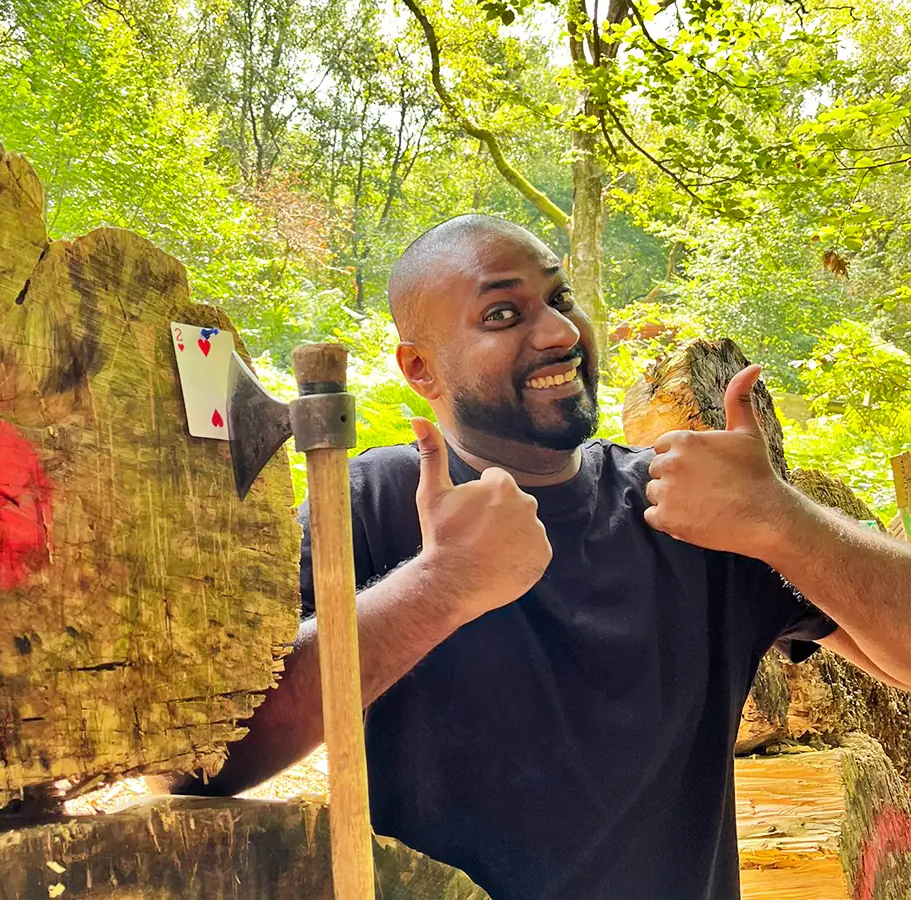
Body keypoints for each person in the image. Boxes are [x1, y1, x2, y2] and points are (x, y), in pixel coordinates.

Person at [182, 214, 911, 899]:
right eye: (504, 314)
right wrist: (438, 588)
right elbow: (194, 762)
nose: (561, 332)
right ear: (420, 369)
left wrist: (782, 519)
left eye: (560, 297)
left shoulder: (691, 511)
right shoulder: (373, 501)